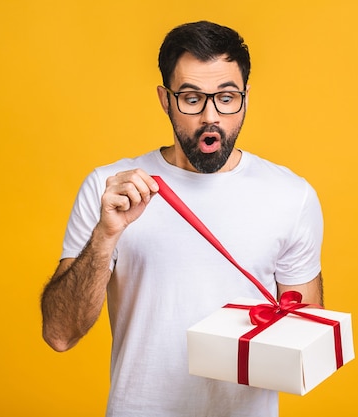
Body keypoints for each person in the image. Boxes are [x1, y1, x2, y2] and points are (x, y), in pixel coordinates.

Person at [41, 20, 324, 417]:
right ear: (165, 99)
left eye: (227, 98)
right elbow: (59, 334)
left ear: (245, 97)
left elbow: (305, 342)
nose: (211, 116)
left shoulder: (291, 196)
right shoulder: (109, 189)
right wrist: (106, 236)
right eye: (191, 98)